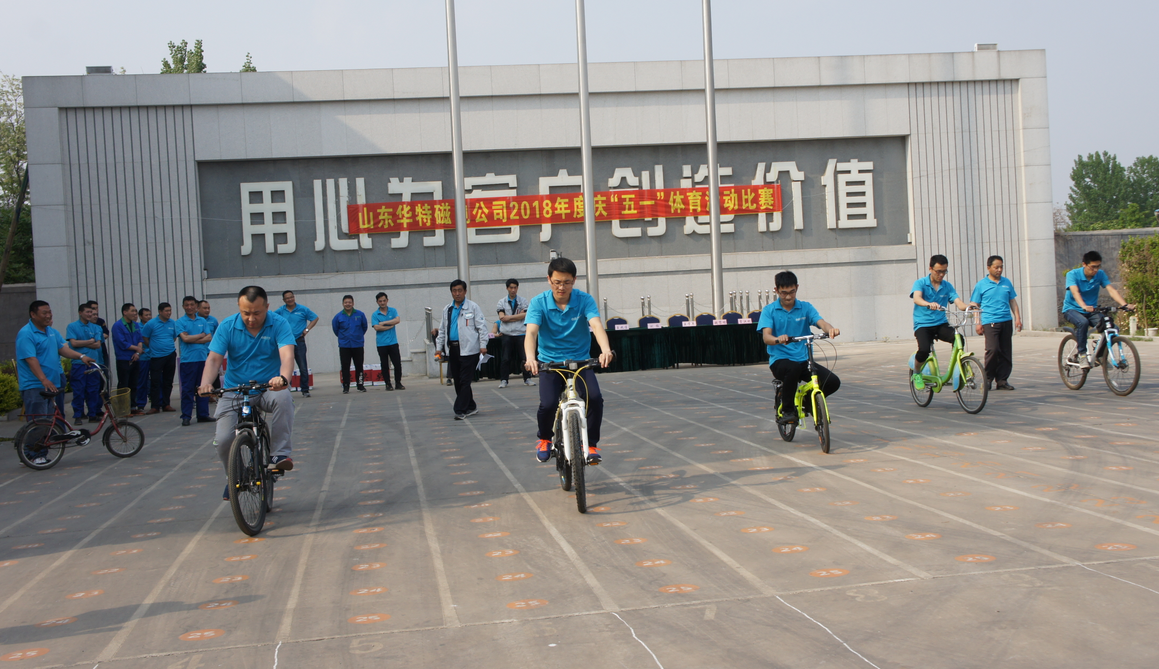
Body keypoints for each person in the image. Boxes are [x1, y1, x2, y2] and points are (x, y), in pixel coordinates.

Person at [198, 286, 296, 501]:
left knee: (284, 398)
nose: (251, 319)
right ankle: (235, 476)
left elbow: (287, 356)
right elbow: (214, 359)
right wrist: (205, 384)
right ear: (239, 307)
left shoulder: (279, 323)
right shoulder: (227, 326)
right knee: (223, 439)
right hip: (235, 390)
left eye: (257, 313)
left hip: (268, 387)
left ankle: (279, 455)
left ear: (267, 307)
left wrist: (283, 378)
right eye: (246, 313)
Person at [524, 258, 614, 464]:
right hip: (550, 363)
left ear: (574, 280)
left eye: (566, 282)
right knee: (548, 404)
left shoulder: (584, 300)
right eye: (557, 282)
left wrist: (605, 350)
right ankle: (545, 439)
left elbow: (596, 325)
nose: (561, 287)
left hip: (580, 362)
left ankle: (591, 444)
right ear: (549, 279)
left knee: (595, 398)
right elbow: (531, 333)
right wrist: (530, 358)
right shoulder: (538, 302)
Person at [758, 270, 841, 427]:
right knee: (793, 368)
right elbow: (766, 337)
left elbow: (821, 323)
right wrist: (778, 339)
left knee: (832, 382)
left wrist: (830, 329)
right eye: (784, 293)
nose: (788, 297)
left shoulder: (805, 307)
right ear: (776, 290)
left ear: (797, 288)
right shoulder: (769, 310)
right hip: (780, 361)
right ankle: (788, 410)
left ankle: (809, 402)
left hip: (804, 360)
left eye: (792, 292)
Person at [17, 301, 95, 452]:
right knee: (38, 422)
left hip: (51, 384)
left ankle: (41, 452)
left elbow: (63, 349)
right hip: (35, 386)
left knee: (48, 421)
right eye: (44, 313)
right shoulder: (26, 333)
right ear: (33, 314)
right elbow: (31, 359)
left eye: (49, 312)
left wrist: (81, 357)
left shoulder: (51, 331)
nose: (48, 315)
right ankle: (32, 455)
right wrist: (43, 379)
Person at [1061, 250, 1134, 369]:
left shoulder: (1100, 274)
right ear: (1084, 264)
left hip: (1092, 311)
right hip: (1072, 310)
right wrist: (1084, 306)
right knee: (1083, 322)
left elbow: (1111, 290)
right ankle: (1082, 355)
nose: (1095, 270)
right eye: (1093, 267)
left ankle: (1100, 355)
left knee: (1112, 328)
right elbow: (1075, 292)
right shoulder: (1072, 274)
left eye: (1098, 266)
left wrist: (1124, 304)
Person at [910, 254, 969, 389]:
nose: (941, 275)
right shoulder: (920, 283)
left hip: (941, 323)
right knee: (924, 350)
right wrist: (928, 304)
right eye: (938, 271)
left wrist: (969, 307)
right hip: (923, 325)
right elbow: (917, 298)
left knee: (958, 339)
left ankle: (957, 369)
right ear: (930, 269)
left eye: (944, 271)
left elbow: (959, 303)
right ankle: (917, 373)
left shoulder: (947, 286)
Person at [435, 279, 489, 419]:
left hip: (470, 349)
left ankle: (460, 409)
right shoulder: (447, 309)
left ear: (465, 291)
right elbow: (442, 330)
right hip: (453, 349)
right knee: (458, 380)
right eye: (454, 291)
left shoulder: (473, 307)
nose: (457, 293)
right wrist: (439, 348)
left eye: (460, 290)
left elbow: (482, 328)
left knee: (465, 380)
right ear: (451, 292)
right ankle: (471, 406)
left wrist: (483, 345)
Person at [969, 255, 1022, 391]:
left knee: (1005, 351)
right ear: (989, 268)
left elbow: (1012, 301)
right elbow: (974, 304)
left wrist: (1017, 318)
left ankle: (1002, 380)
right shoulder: (981, 285)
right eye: (996, 267)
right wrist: (978, 322)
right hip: (990, 321)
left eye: (1001, 267)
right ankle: (988, 378)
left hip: (1006, 320)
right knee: (992, 350)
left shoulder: (1006, 282)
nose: (999, 270)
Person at [175, 296, 213, 426]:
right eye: (186, 305)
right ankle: (186, 416)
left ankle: (203, 415)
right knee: (187, 389)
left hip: (202, 358)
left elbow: (209, 337)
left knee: (203, 387)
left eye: (192, 305)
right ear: (183, 306)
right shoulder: (180, 322)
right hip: (188, 360)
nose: (189, 307)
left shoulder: (202, 320)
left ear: (196, 307)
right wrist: (201, 335)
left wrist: (193, 338)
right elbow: (185, 339)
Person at [274, 291, 319, 397]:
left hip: (299, 341)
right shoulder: (280, 311)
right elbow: (271, 319)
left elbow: (315, 318)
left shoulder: (302, 309)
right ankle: (286, 389)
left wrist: (307, 329)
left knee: (303, 366)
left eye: (291, 297)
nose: (290, 299)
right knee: (285, 367)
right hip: (286, 343)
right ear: (284, 300)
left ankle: (305, 390)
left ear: (294, 297)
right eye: (287, 298)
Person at [65, 303, 105, 423]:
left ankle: (92, 414)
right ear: (80, 313)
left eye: (91, 312)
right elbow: (73, 343)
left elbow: (97, 345)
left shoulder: (96, 327)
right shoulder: (72, 326)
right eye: (87, 312)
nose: (90, 314)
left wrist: (82, 342)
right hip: (79, 363)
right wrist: (89, 341)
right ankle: (78, 415)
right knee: (79, 390)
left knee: (93, 390)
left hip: (93, 363)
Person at [497, 278, 534, 389]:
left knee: (524, 357)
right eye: (511, 288)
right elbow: (502, 317)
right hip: (507, 334)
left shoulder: (523, 301)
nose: (513, 290)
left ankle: (527, 378)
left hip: (521, 333)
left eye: (515, 288)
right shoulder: (501, 302)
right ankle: (504, 380)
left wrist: (509, 317)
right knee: (505, 358)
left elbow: (526, 315)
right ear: (507, 288)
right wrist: (518, 316)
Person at [142, 302, 178, 413]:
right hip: (156, 356)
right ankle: (155, 406)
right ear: (160, 311)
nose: (169, 313)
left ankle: (166, 404)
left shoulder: (173, 323)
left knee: (168, 381)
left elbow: (174, 337)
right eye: (166, 311)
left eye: (170, 310)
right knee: (155, 381)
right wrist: (154, 347)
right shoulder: (151, 324)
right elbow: (145, 338)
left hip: (170, 354)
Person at [111, 303, 146, 415]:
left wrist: (137, 352)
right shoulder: (118, 326)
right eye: (132, 311)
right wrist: (137, 349)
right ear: (125, 312)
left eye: (135, 311)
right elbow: (122, 343)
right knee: (124, 384)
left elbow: (140, 339)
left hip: (135, 358)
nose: (135, 313)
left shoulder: (135, 325)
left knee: (134, 384)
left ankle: (132, 406)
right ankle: (123, 409)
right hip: (124, 358)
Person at [332, 294, 368, 393]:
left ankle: (360, 385)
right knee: (345, 366)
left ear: (353, 303)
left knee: (359, 365)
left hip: (358, 344)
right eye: (346, 302)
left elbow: (364, 327)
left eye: (349, 302)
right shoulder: (338, 316)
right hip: (344, 345)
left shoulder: (360, 314)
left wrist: (358, 336)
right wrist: (343, 337)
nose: (348, 304)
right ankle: (346, 386)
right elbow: (335, 329)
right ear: (342, 304)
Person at [371, 292, 405, 390]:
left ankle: (398, 383)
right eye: (380, 301)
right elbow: (377, 327)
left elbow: (397, 320)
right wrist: (389, 326)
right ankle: (388, 384)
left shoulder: (393, 310)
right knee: (385, 365)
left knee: (397, 363)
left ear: (387, 300)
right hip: (381, 343)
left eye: (384, 300)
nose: (382, 303)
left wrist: (384, 323)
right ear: (377, 302)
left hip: (393, 342)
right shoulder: (375, 314)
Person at [87, 300, 111, 390]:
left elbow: (106, 334)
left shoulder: (100, 322)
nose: (96, 311)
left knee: (104, 373)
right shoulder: (84, 326)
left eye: (97, 308)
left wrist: (95, 340)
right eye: (93, 308)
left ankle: (105, 394)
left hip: (101, 351)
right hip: (90, 355)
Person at [199, 300, 222, 396]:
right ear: (198, 308)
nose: (207, 310)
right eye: (204, 308)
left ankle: (216, 396)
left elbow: (216, 336)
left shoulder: (213, 320)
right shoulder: (196, 320)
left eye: (208, 308)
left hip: (211, 351)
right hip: (199, 353)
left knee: (214, 376)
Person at [135, 308, 153, 412]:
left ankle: (157, 402)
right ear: (141, 316)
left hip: (153, 356)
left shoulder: (153, 325)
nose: (149, 317)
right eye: (146, 315)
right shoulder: (138, 327)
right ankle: (141, 403)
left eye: (149, 315)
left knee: (156, 380)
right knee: (142, 381)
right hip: (143, 357)